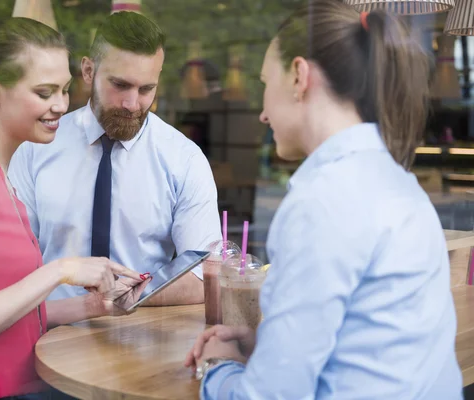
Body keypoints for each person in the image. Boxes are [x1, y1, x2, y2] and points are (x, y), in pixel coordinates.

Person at [184, 1, 463, 399]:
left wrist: (217, 367)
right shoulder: (398, 182)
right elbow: (371, 345)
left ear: (299, 76)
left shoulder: (321, 203)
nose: (262, 113)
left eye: (265, 83)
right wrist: (266, 343)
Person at [0, 18, 149, 400]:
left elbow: (4, 317)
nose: (61, 105)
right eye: (44, 91)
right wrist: (61, 271)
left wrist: (94, 304)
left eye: (65, 90)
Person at [8, 11, 221, 306]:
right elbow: (13, 263)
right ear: (88, 71)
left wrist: (132, 298)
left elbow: (205, 275)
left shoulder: (183, 159)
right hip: (50, 331)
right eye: (120, 85)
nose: (132, 104)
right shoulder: (35, 147)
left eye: (146, 89)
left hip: (143, 334)